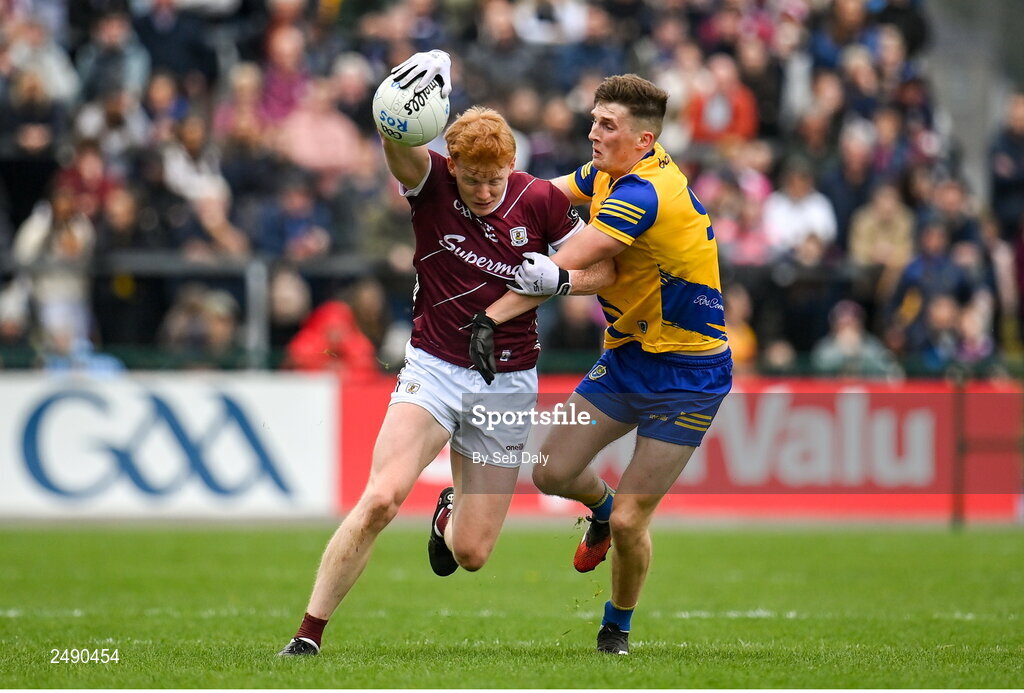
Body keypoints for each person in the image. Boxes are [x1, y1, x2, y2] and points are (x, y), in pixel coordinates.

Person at [277, 51, 614, 657]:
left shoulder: (539, 200)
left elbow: (605, 271)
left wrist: (560, 281)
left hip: (508, 380)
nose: (484, 191)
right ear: (451, 163)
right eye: (472, 178)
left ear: (511, 165)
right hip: (432, 367)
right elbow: (393, 134)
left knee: (471, 554)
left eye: (495, 178)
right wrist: (413, 85)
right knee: (380, 498)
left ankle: (449, 510)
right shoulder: (429, 180)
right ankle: (308, 636)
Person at [470, 72, 733, 655]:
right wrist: (475, 187)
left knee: (632, 524)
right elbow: (539, 194)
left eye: (606, 126)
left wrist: (490, 310)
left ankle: (617, 627)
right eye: (593, 120)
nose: (592, 133)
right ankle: (602, 508)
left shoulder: (644, 193)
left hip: (689, 376)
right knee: (550, 472)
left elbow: (558, 264)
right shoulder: (611, 172)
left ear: (643, 140)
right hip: (626, 358)